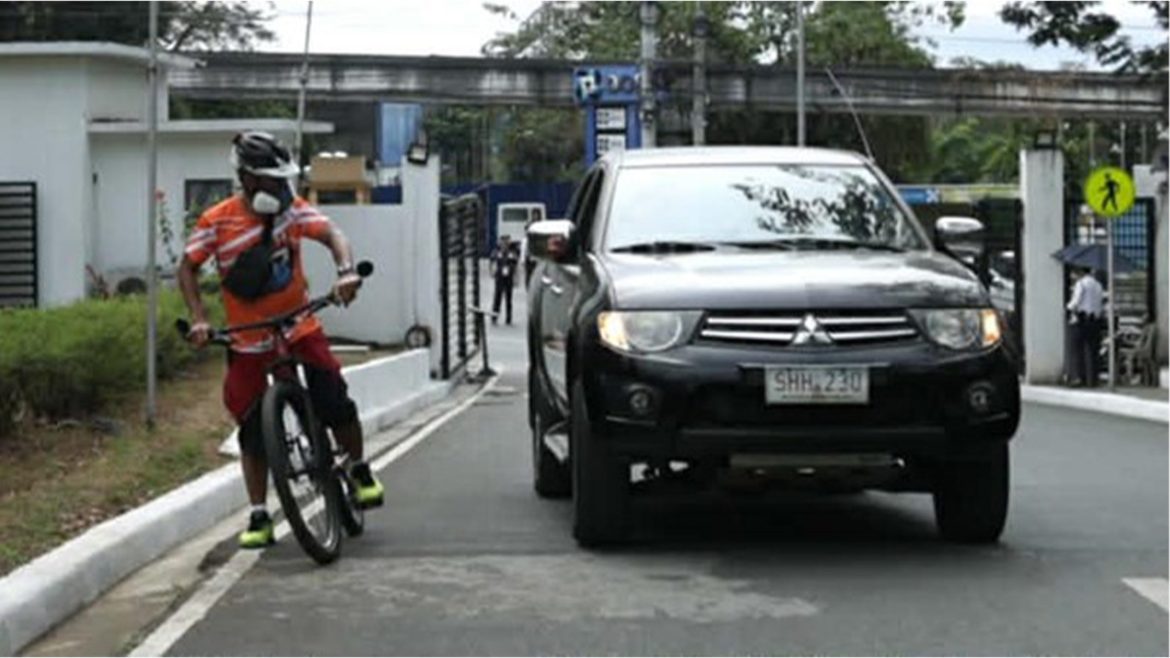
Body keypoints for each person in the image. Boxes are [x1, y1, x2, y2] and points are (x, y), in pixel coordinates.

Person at [177, 131, 384, 549]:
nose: (279, 186)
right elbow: (187, 267)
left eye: (282, 178)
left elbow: (333, 235)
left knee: (334, 399)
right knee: (252, 429)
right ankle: (259, 513)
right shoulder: (216, 221)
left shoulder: (292, 212)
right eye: (271, 179)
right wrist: (199, 319)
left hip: (298, 325)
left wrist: (346, 272)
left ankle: (358, 468)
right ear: (246, 178)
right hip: (247, 341)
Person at [1067, 266, 1105, 388]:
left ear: (1080, 272)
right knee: (1093, 350)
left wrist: (1068, 308)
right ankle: (1092, 379)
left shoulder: (1081, 284)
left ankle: (1078, 377)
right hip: (1095, 320)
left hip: (1082, 319)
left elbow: (1076, 301)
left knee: (1077, 349)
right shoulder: (1098, 285)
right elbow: (1100, 304)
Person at [491, 235, 519, 325]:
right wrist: (493, 272)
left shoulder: (512, 253)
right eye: (503, 242)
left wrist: (515, 278)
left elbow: (515, 265)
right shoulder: (496, 252)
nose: (504, 244)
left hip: (508, 277)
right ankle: (494, 316)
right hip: (499, 277)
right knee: (497, 297)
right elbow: (493, 262)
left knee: (508, 298)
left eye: (506, 242)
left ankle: (508, 318)